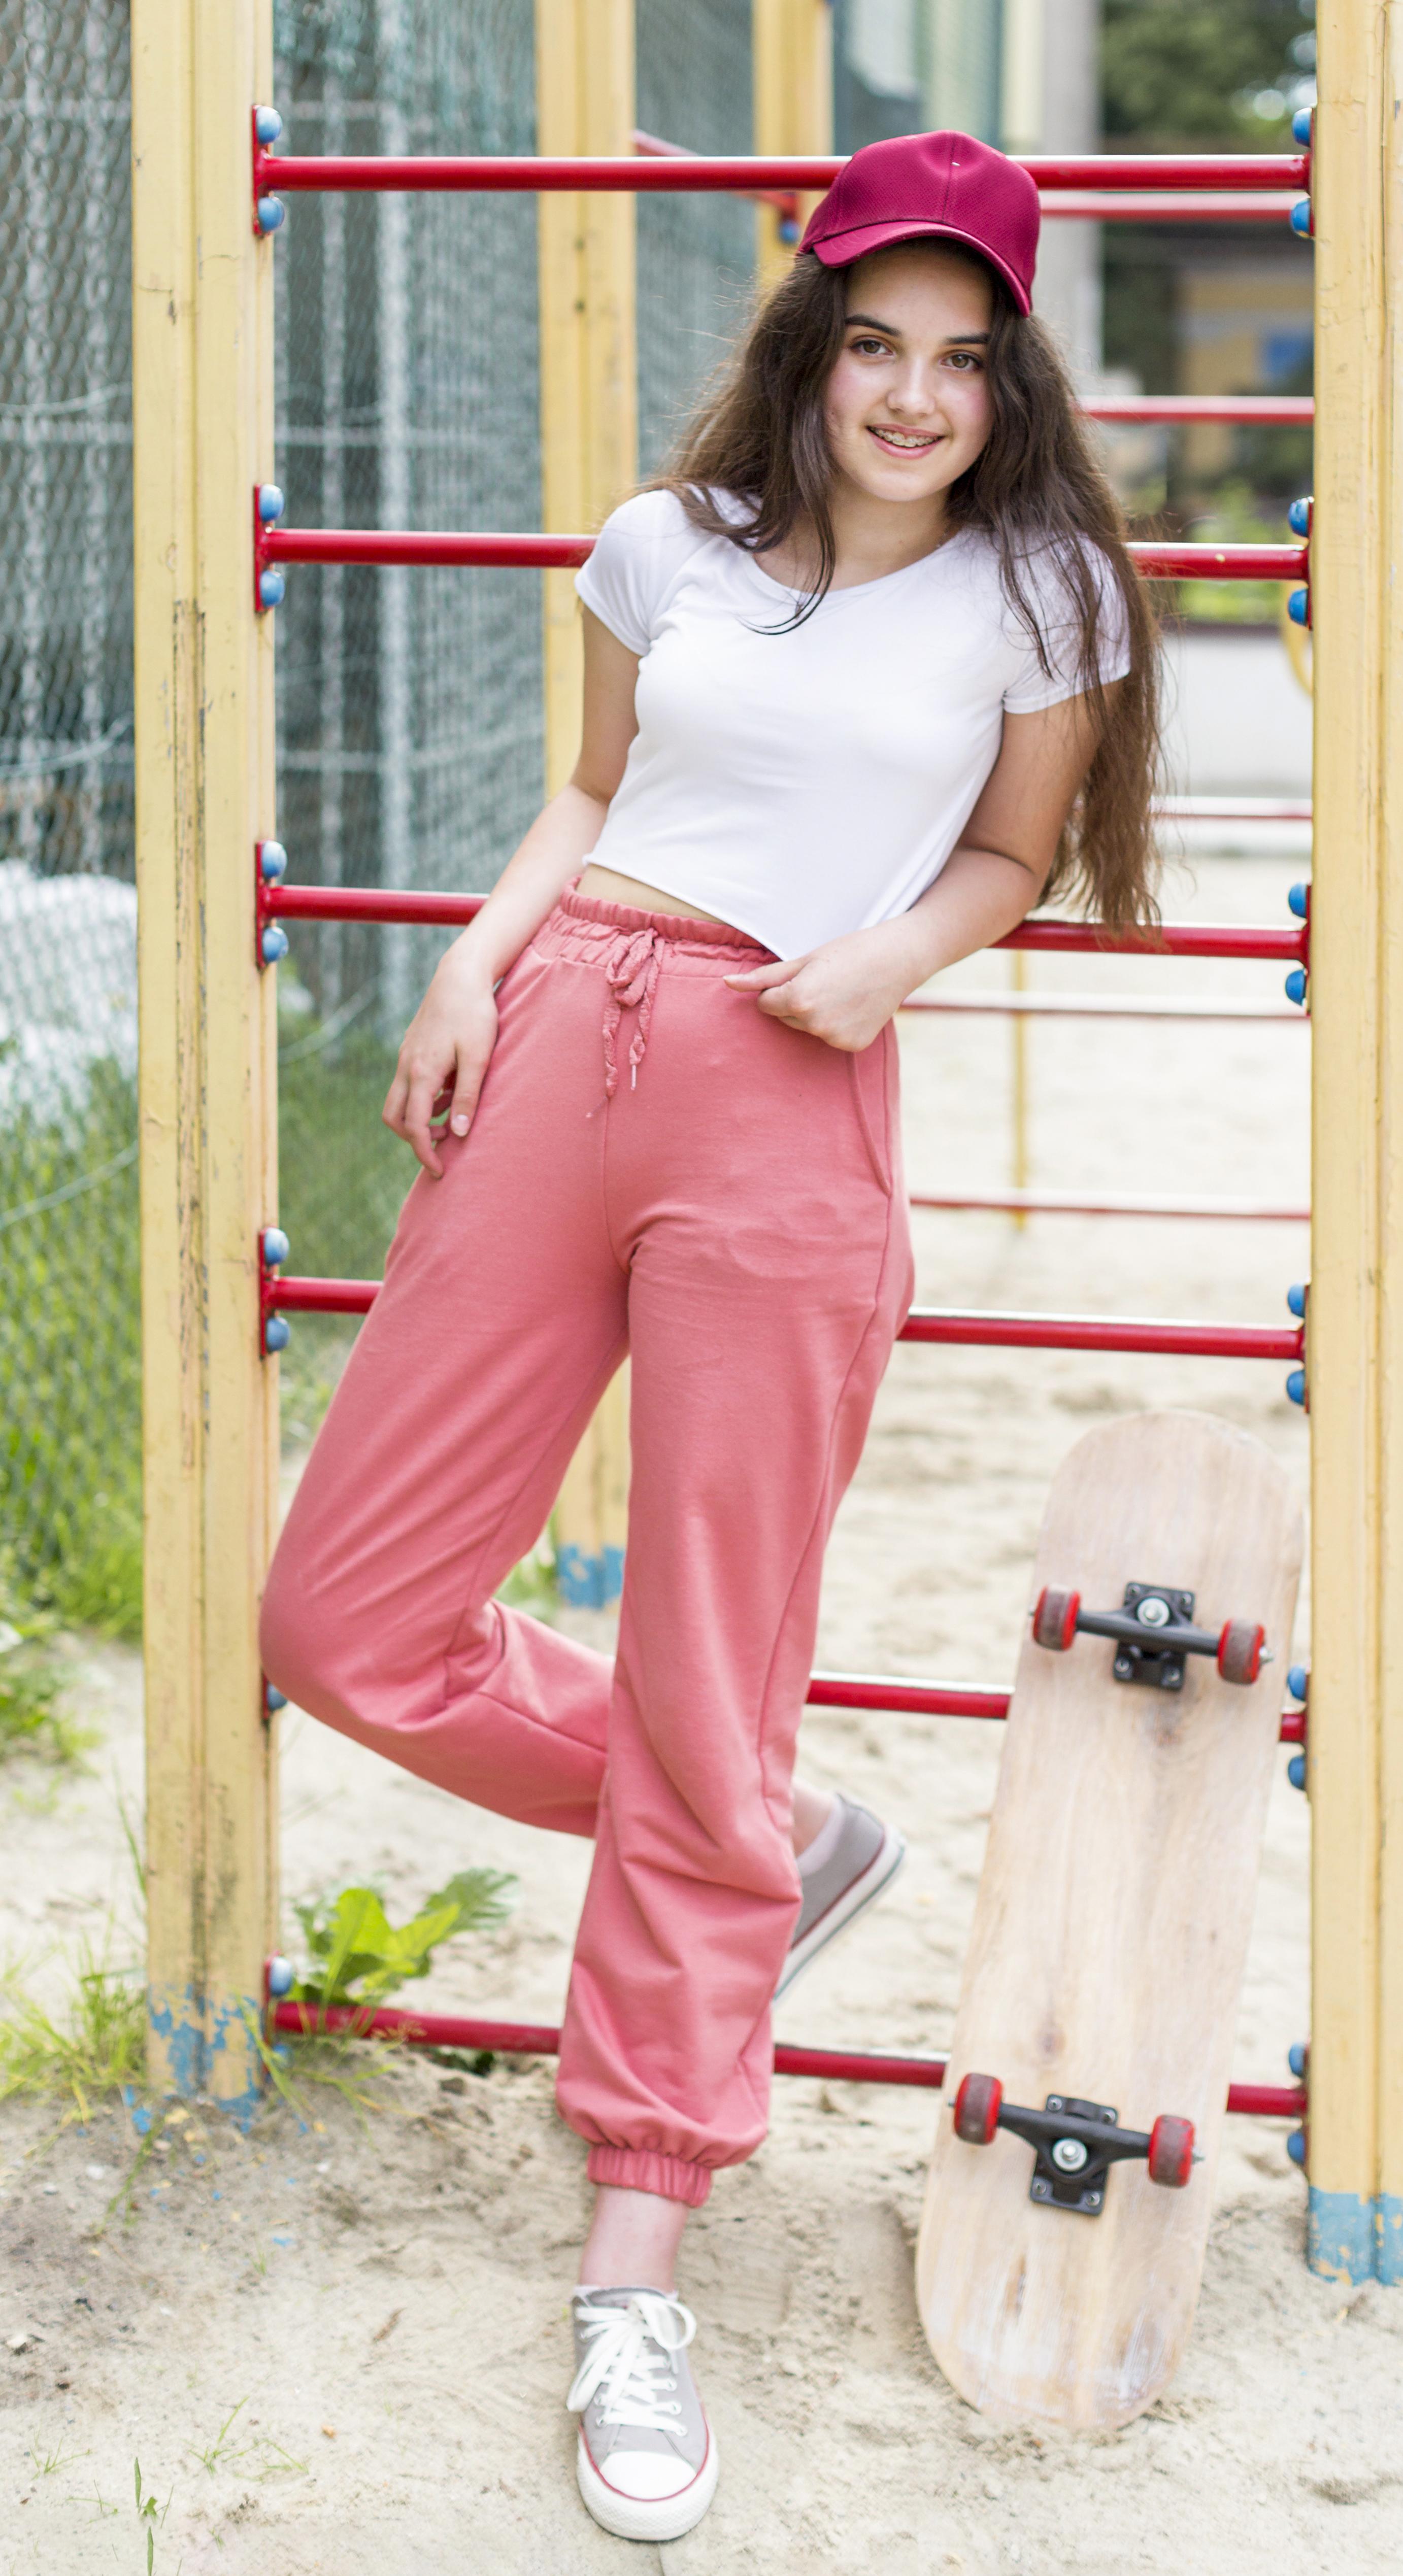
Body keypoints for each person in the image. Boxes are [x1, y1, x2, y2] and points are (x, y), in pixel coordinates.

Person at [260, 127, 1161, 2546]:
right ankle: (765, 1849)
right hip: (560, 1046)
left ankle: (639, 2242)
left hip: (788, 1100)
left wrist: (888, 961)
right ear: (808, 335)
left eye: (960, 361)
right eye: (873, 341)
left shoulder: (1039, 587)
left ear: (1007, 383)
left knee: (701, 1655)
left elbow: (1005, 850)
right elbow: (589, 792)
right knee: (340, 1616)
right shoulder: (666, 547)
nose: (909, 394)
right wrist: (470, 959)